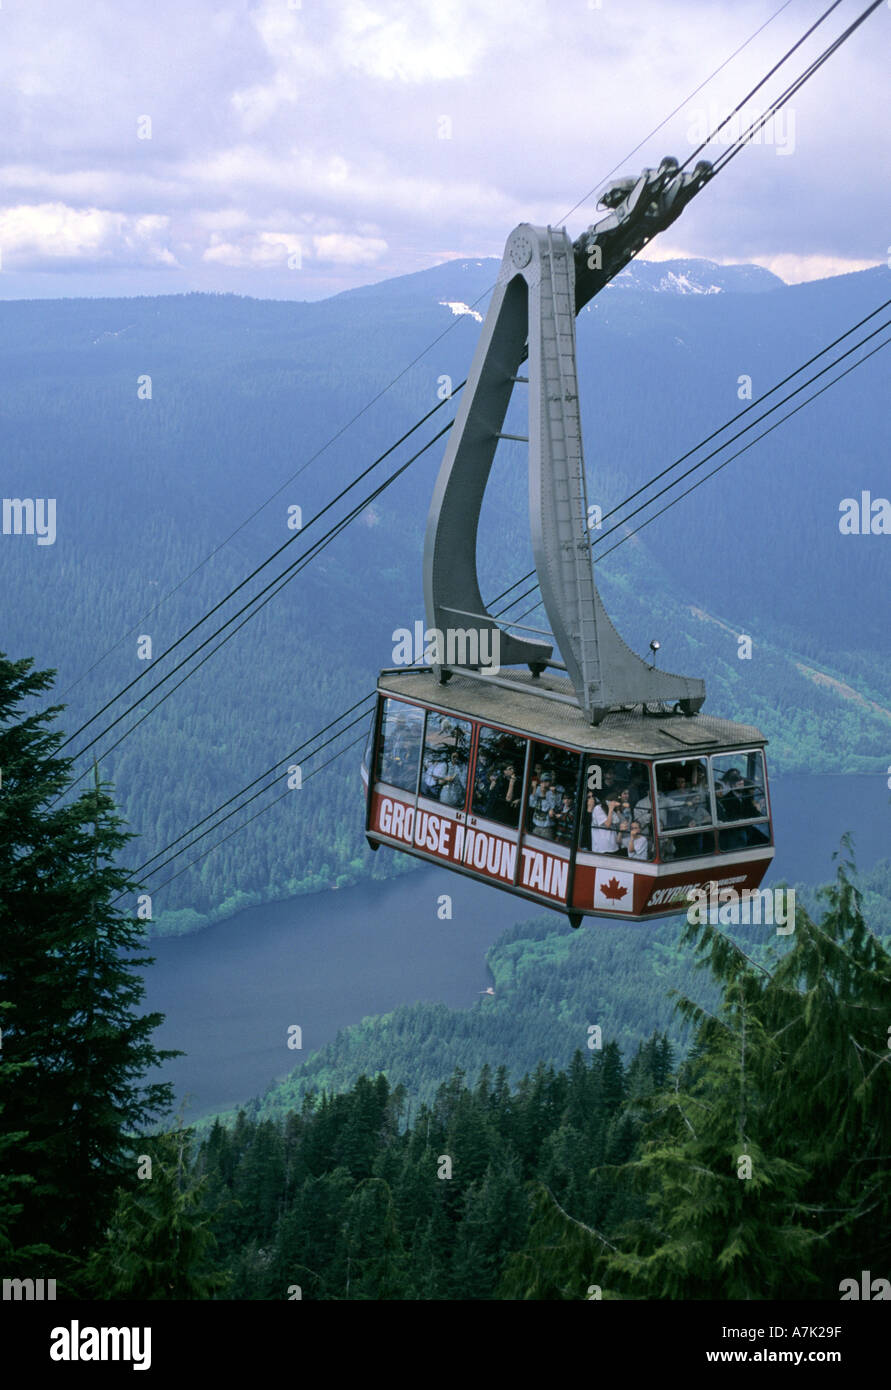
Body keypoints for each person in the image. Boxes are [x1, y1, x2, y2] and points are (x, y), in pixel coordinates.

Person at [529, 774, 558, 839]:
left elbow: (546, 808)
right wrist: (534, 789)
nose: (544, 783)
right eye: (542, 781)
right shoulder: (537, 789)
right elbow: (531, 804)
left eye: (546, 781)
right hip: (536, 825)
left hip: (547, 828)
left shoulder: (552, 792)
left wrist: (543, 794)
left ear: (550, 782)